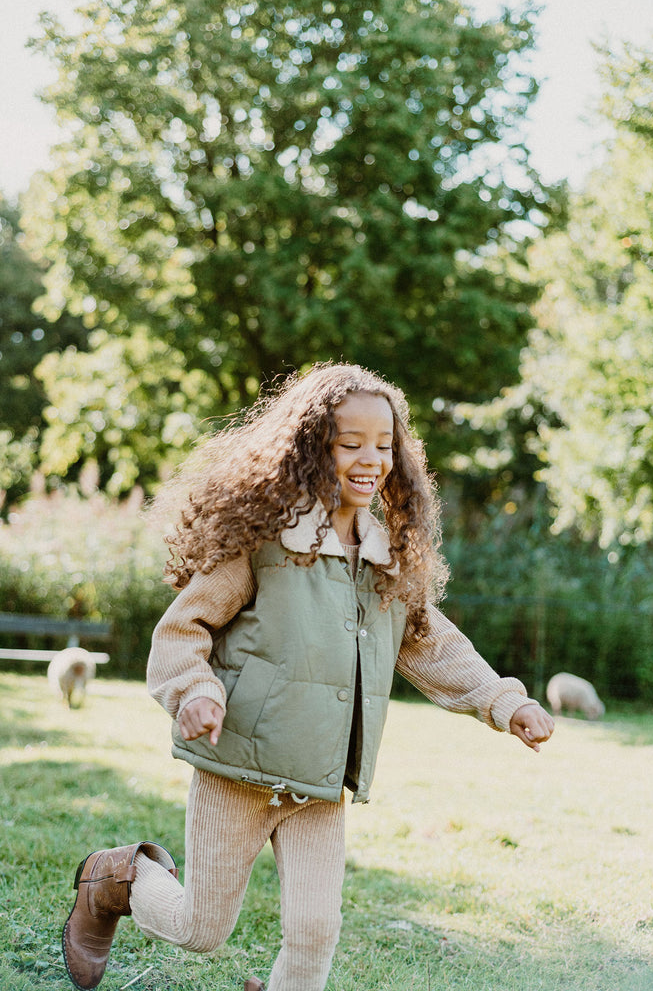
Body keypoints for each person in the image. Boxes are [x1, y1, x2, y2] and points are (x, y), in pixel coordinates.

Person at [61, 362, 554, 991]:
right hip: (237, 769)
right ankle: (115, 882)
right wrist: (195, 692)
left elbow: (433, 645)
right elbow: (183, 631)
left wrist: (505, 702)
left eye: (384, 445)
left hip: (320, 782)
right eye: (351, 444)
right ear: (311, 449)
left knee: (317, 931)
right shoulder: (263, 541)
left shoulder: (386, 558)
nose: (371, 459)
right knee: (200, 928)